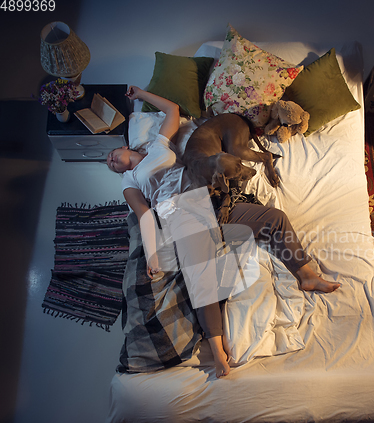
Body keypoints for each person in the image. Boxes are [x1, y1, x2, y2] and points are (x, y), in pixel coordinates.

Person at [108, 86, 341, 378]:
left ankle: (306, 275)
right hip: (180, 215)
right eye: (109, 163)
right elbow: (144, 214)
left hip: (210, 198)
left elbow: (172, 111)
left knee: (274, 218)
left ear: (129, 147)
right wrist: (153, 253)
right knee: (201, 273)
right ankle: (218, 349)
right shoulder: (129, 181)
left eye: (113, 152)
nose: (111, 160)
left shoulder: (158, 146)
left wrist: (141, 94)